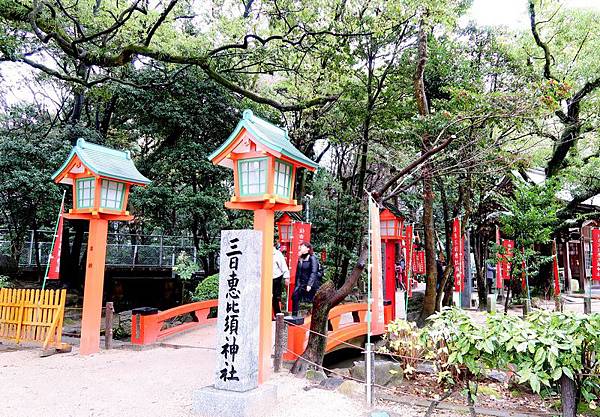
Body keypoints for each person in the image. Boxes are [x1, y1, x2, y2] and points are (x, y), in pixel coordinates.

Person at [291, 242, 320, 316]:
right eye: (300, 246)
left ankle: (319, 317)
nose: (300, 248)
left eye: (302, 246)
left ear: (308, 249)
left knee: (315, 301)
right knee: (295, 297)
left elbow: (314, 272)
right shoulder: (301, 258)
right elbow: (298, 273)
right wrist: (297, 285)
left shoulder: (312, 258)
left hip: (311, 284)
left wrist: (309, 284)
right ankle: (294, 316)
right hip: (301, 283)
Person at [272, 243, 290, 315]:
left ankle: (277, 314)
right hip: (266, 278)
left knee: (276, 297)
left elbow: (283, 266)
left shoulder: (277, 254)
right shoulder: (263, 251)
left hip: (276, 277)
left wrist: (286, 277)